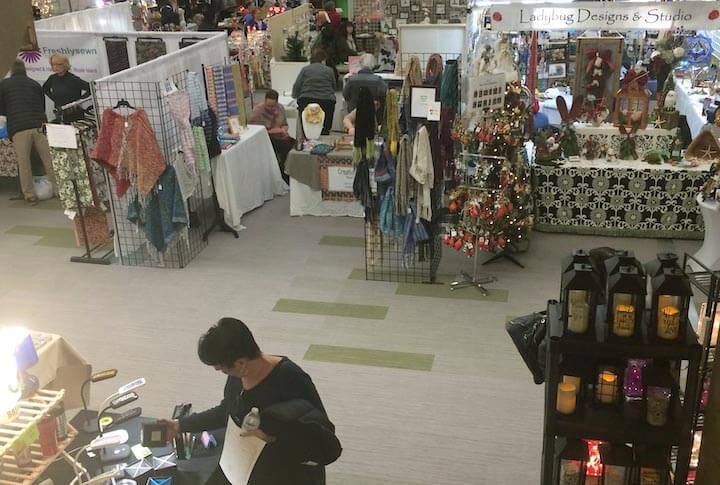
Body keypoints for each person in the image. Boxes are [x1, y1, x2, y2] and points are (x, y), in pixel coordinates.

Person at [158, 317, 341, 485]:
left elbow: (324, 441)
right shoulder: (238, 376)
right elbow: (227, 410)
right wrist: (180, 425)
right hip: (242, 463)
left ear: (240, 363)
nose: (221, 373)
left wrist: (273, 438)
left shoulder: (291, 379)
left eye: (221, 369)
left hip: (285, 470)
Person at [0, 60, 57, 204]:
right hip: (39, 125)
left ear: (11, 70)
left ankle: (30, 195)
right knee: (48, 161)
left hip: (19, 128)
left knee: (24, 163)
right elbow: (42, 107)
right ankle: (59, 191)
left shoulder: (4, 85)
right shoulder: (34, 84)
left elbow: (1, 109)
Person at [250, 89, 294, 183]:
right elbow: (256, 131)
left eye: (273, 106)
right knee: (286, 148)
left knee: (296, 145)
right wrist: (275, 131)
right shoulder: (258, 111)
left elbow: (285, 124)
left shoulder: (280, 108)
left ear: (277, 103)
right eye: (268, 105)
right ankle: (283, 176)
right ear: (265, 101)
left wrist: (284, 129)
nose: (270, 108)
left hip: (280, 136)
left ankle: (289, 173)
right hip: (266, 138)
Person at [292, 49, 337, 135]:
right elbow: (333, 86)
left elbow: (297, 85)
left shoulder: (305, 69)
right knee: (325, 128)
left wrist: (295, 96)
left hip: (306, 99)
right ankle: (325, 133)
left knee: (307, 127)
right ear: (323, 60)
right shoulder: (329, 70)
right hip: (327, 101)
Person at [42, 54, 90, 121]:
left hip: (74, 114)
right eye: (53, 65)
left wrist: (80, 100)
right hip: (60, 113)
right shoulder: (52, 78)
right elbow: (45, 89)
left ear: (65, 64)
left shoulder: (73, 79)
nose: (55, 67)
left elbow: (91, 89)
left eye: (59, 64)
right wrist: (54, 98)